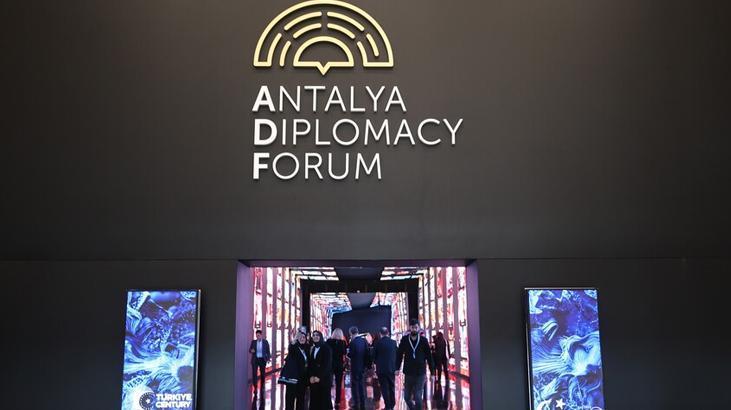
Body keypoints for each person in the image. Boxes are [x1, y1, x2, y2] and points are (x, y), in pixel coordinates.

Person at [396, 319, 435, 410]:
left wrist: (432, 372)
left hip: (420, 372)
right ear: (410, 328)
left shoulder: (423, 341)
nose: (414, 329)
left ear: (419, 328)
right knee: (406, 397)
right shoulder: (405, 340)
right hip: (408, 372)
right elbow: (399, 354)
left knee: (418, 396)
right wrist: (397, 368)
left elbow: (429, 357)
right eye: (412, 327)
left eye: (416, 327)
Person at [283, 331, 309, 410]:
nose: (302, 339)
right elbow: (291, 350)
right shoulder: (293, 347)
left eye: (303, 337)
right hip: (293, 378)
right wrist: (293, 342)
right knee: (290, 399)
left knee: (301, 399)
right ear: (297, 338)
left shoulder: (306, 348)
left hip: (302, 378)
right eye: (300, 337)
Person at [308, 330, 333, 410]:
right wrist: (311, 376)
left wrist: (319, 377)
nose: (315, 337)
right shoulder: (313, 348)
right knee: (315, 401)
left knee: (324, 402)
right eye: (314, 335)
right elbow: (311, 364)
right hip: (314, 380)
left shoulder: (326, 348)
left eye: (317, 335)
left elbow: (327, 365)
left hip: (324, 380)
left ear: (321, 337)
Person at [374, 327, 398, 410]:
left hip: (381, 369)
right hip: (391, 368)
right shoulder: (393, 342)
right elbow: (397, 354)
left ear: (380, 334)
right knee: (392, 386)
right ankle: (392, 404)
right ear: (388, 333)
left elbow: (374, 356)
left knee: (384, 388)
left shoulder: (377, 343)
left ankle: (388, 406)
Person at [347, 326, 368, 410]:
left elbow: (351, 354)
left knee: (355, 385)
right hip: (362, 366)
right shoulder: (364, 341)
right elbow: (367, 353)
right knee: (361, 385)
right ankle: (363, 402)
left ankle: (356, 403)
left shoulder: (352, 342)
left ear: (351, 333)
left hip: (355, 366)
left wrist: (348, 354)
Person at [327, 328, 347, 408]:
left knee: (329, 383)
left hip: (330, 364)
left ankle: (328, 400)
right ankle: (337, 401)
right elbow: (344, 353)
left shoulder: (329, 341)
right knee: (338, 384)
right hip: (339, 365)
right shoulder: (343, 343)